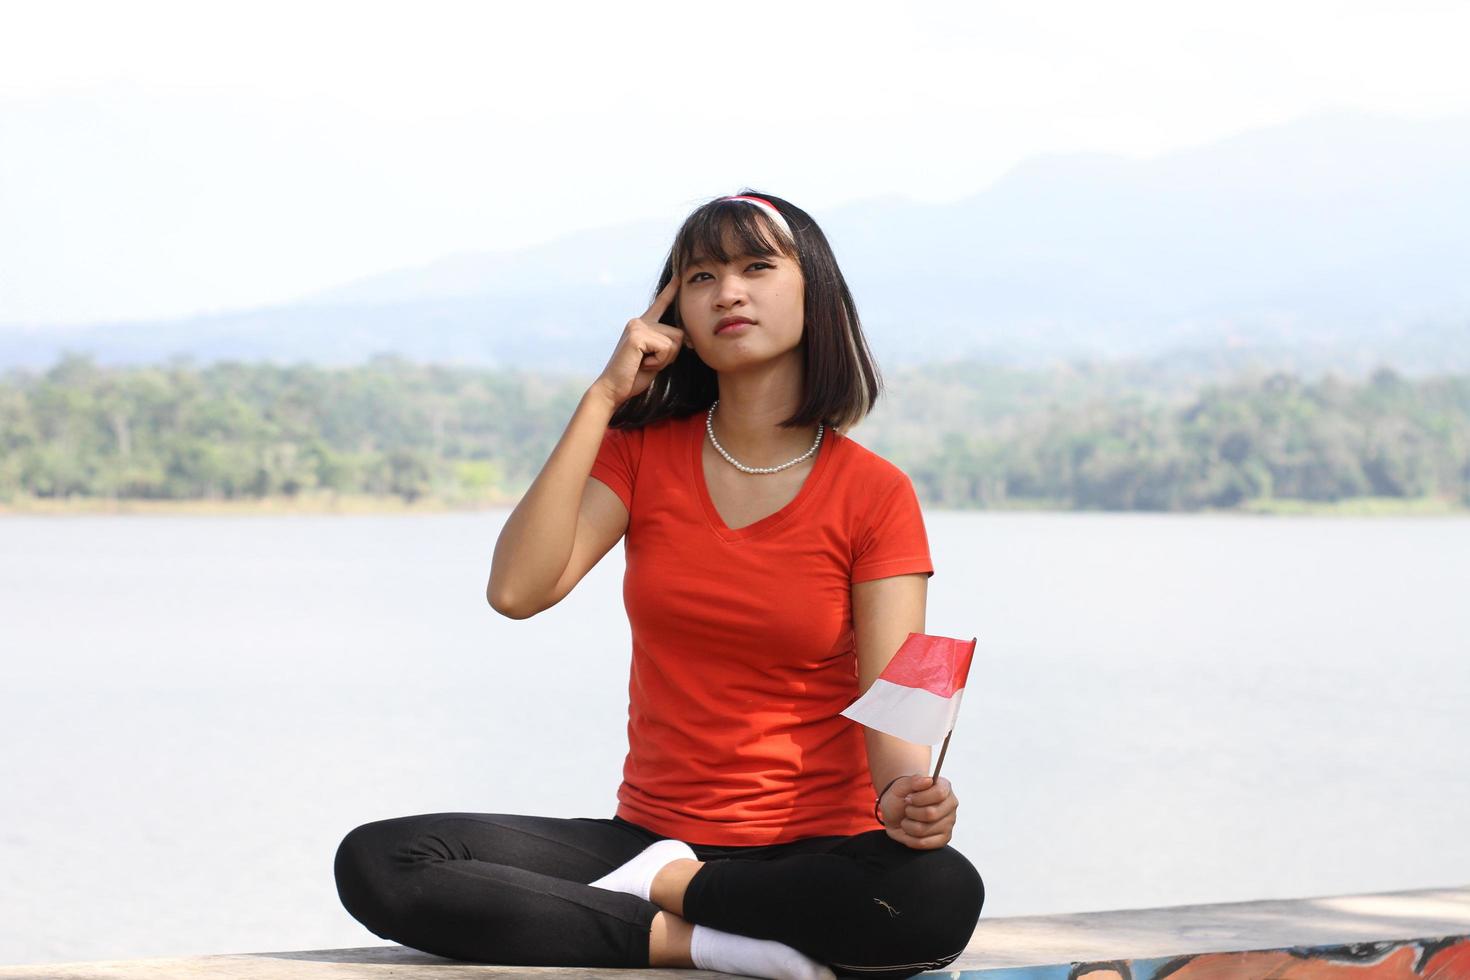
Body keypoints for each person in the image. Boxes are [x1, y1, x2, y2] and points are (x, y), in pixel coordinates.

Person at [333, 191, 985, 979]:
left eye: (756, 267)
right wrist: (604, 398)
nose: (728, 292)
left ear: (815, 291)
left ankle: (676, 896)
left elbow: (896, 700)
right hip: (650, 836)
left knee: (939, 894)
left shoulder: (876, 493)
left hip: (814, 851)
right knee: (380, 861)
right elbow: (516, 590)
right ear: (674, 310)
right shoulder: (643, 456)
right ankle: (707, 939)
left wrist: (908, 800)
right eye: (701, 276)